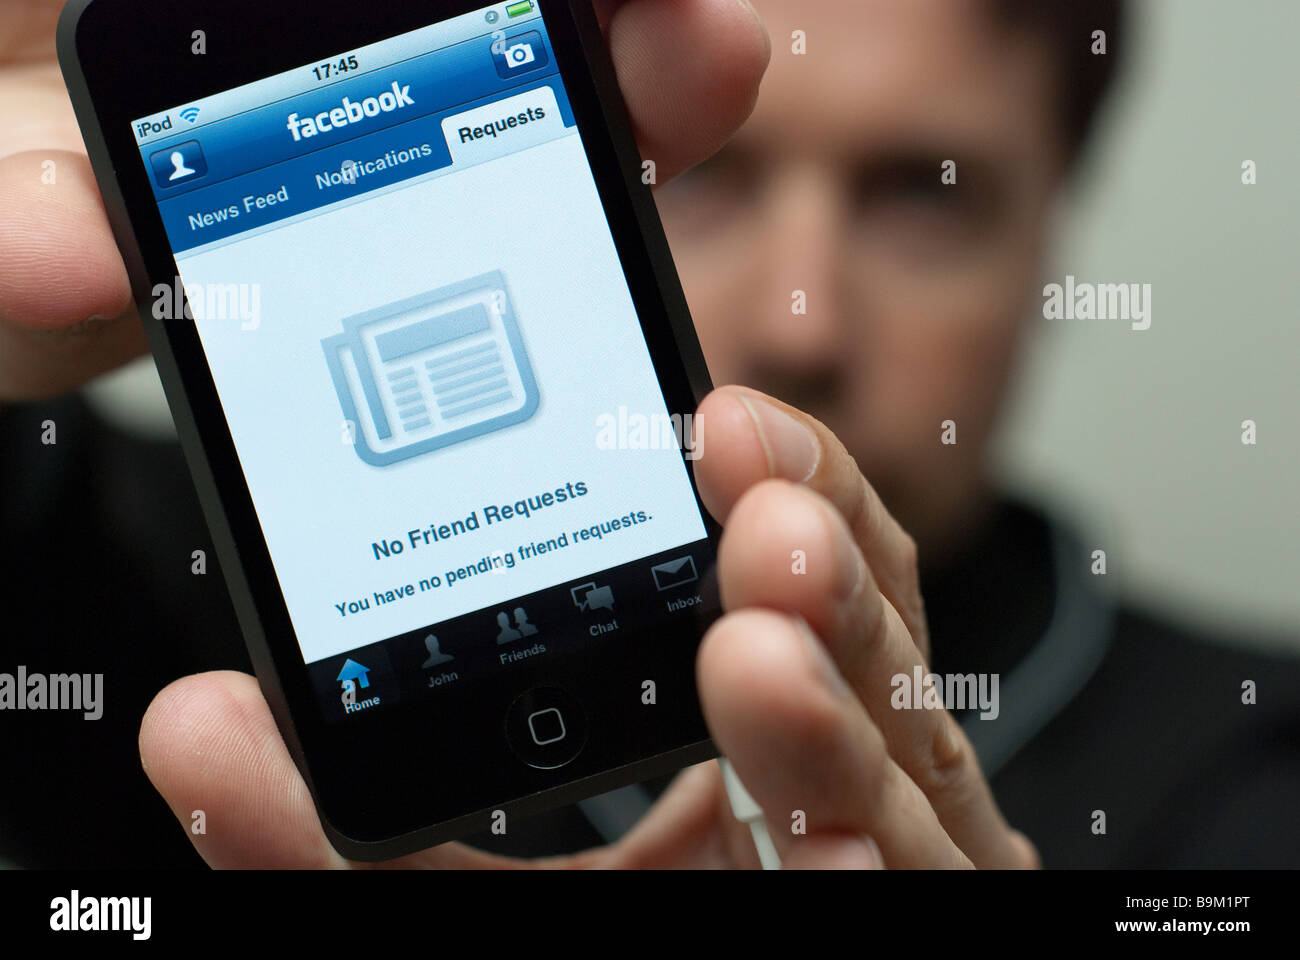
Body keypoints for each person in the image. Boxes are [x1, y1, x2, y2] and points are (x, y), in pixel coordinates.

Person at [0, 0, 1294, 870]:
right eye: (714, 173)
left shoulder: (1255, 773)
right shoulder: (129, 579)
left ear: (1054, 236)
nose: (806, 320)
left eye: (922, 198)